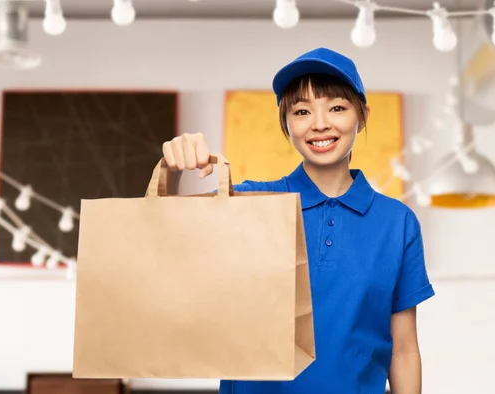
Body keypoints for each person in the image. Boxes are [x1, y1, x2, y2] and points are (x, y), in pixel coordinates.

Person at [161, 47, 435, 394]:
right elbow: (164, 242)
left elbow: (404, 349)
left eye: (337, 107)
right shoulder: (250, 202)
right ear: (286, 123)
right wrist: (174, 169)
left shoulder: (398, 223)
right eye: (302, 111)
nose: (320, 123)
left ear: (362, 115)